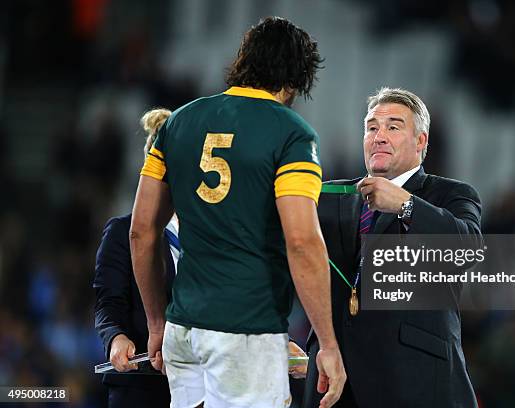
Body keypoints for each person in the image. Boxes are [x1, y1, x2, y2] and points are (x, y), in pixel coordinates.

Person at [130, 16, 346, 408]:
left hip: (184, 329)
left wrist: (156, 322)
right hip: (247, 330)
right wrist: (327, 343)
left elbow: (141, 231)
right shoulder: (292, 134)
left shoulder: (178, 122)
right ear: (297, 78)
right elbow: (301, 241)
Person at [302, 87, 482, 407]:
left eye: (393, 127)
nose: (379, 136)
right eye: (372, 127)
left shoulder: (450, 194)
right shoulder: (331, 197)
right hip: (334, 382)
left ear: (420, 141)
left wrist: (406, 205)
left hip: (413, 380)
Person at [93, 109, 178, 407]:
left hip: (199, 384)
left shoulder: (209, 235)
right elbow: (108, 302)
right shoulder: (121, 232)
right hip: (141, 387)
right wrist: (116, 338)